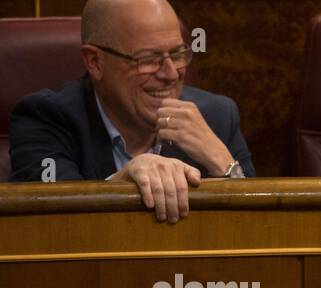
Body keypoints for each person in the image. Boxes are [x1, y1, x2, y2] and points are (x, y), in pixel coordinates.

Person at [8, 0, 255, 224]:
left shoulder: (217, 116)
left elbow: (257, 230)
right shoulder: (45, 119)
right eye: (148, 59)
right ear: (95, 62)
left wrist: (227, 168)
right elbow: (51, 222)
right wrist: (120, 184)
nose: (171, 74)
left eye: (178, 54)